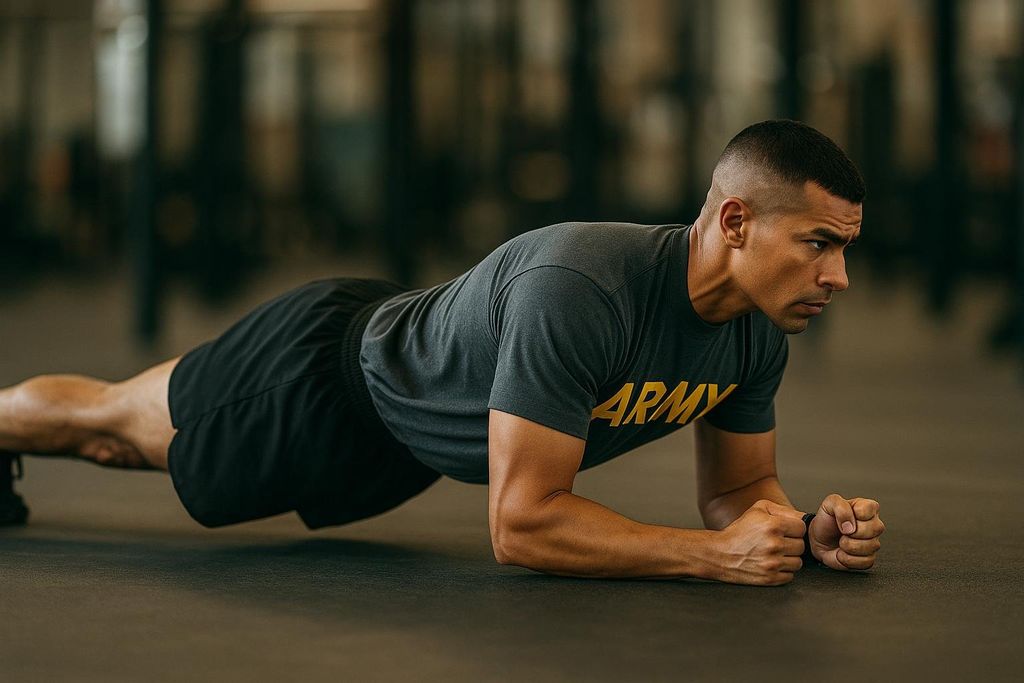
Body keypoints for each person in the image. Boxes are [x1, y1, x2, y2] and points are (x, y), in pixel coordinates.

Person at [0, 119, 884, 586]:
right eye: (818, 243)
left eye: (842, 248)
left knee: (118, 435)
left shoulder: (759, 331)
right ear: (734, 221)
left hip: (405, 441)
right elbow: (524, 523)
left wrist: (801, 530)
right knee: (107, 426)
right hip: (316, 376)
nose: (837, 276)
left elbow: (736, 491)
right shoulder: (584, 287)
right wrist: (710, 557)